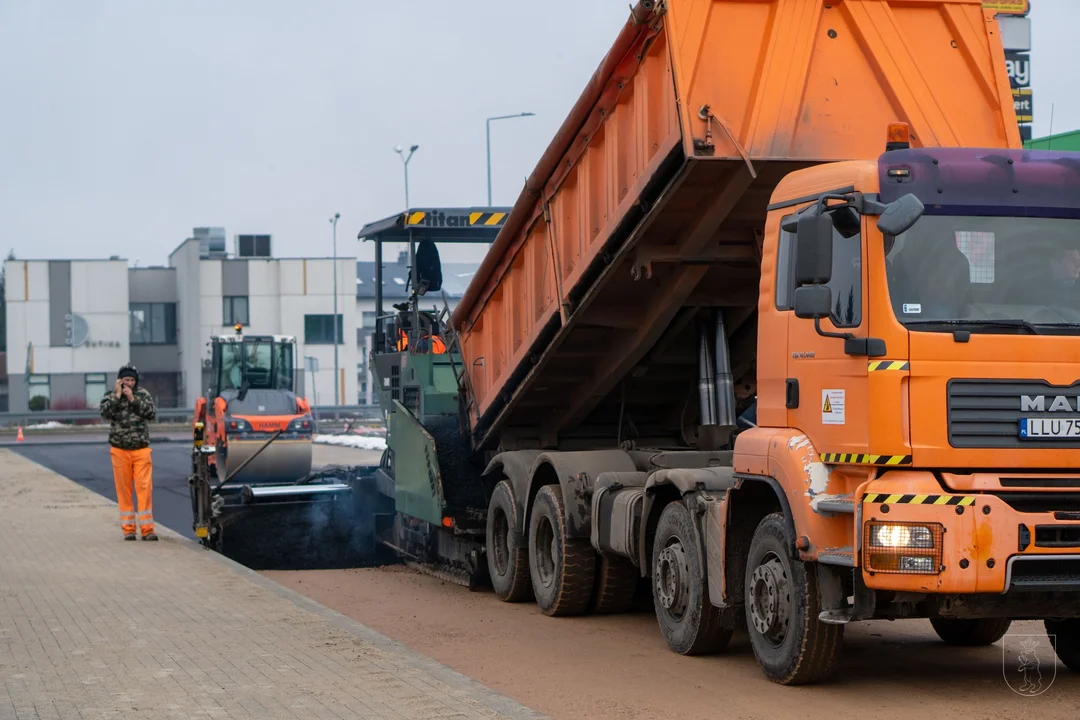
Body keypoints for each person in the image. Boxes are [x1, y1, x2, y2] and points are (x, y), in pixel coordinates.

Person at [98, 363, 158, 541]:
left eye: (132, 380)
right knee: (123, 490)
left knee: (144, 488)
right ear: (120, 380)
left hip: (141, 450)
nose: (129, 383)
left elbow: (151, 413)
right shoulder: (110, 396)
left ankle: (147, 529)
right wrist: (117, 396)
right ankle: (129, 529)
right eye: (126, 380)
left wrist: (133, 399)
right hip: (119, 450)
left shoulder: (142, 395)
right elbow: (105, 413)